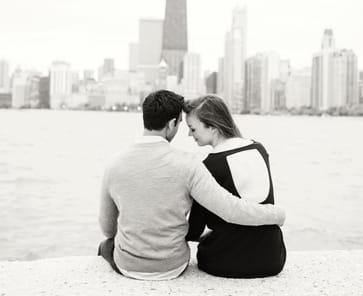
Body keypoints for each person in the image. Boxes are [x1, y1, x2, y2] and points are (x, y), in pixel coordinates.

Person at [98, 90, 286, 280]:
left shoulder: (114, 164)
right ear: (172, 123)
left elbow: (107, 229)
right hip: (174, 266)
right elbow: (229, 208)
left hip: (129, 265)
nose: (186, 132)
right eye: (182, 124)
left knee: (105, 245)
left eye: (192, 128)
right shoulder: (190, 165)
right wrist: (277, 214)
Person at [183, 94, 287, 278]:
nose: (189, 134)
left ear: (212, 127)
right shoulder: (259, 149)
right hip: (273, 258)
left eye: (192, 128)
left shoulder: (209, 166)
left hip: (226, 261)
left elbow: (194, 229)